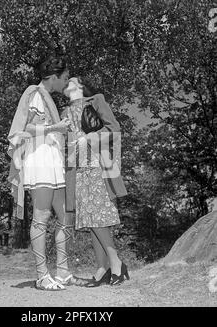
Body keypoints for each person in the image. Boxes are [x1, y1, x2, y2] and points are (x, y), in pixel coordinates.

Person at [7, 56, 83, 291]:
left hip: (53, 160)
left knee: (64, 216)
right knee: (41, 217)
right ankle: (42, 275)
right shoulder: (34, 93)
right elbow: (25, 128)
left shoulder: (48, 98)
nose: (66, 82)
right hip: (39, 159)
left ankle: (63, 272)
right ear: (54, 76)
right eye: (65, 78)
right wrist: (55, 127)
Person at [62, 76, 129, 286]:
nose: (66, 82)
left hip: (98, 166)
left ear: (80, 85)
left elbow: (114, 129)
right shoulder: (63, 113)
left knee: (98, 217)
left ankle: (115, 262)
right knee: (91, 220)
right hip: (77, 170)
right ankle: (102, 268)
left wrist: (88, 138)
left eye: (70, 80)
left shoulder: (96, 100)